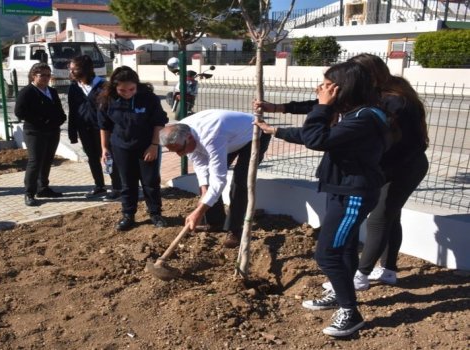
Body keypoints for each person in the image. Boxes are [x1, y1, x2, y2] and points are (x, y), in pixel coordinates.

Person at [256, 54, 429, 290]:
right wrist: (281, 108)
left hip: (402, 166)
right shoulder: (369, 99)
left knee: (381, 216)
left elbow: (321, 132)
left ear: (368, 76)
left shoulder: (391, 102)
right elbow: (322, 105)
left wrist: (376, 171)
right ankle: (388, 270)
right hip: (381, 165)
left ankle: (361, 275)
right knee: (389, 215)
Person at [255, 61, 389, 337]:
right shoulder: (353, 113)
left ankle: (350, 312)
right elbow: (319, 135)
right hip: (341, 189)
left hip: (354, 194)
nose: (321, 89)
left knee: (327, 254)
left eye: (328, 85)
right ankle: (341, 296)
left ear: (344, 88)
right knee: (346, 247)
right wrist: (276, 130)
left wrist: (323, 105)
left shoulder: (365, 117)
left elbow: (317, 139)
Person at [159, 109, 270, 248]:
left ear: (189, 138)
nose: (180, 155)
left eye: (180, 150)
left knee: (240, 180)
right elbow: (200, 164)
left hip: (254, 133)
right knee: (208, 182)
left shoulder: (211, 136)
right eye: (175, 151)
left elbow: (219, 181)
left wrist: (198, 211)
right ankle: (215, 222)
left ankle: (235, 230)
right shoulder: (181, 132)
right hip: (230, 138)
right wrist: (204, 190)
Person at [97, 66, 168, 231]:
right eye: (122, 90)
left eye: (131, 89)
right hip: (121, 147)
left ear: (137, 85)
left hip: (146, 146)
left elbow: (159, 122)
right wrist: (104, 148)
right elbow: (104, 126)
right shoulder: (107, 100)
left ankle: (155, 214)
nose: (127, 93)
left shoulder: (149, 98)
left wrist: (154, 146)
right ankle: (128, 215)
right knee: (127, 183)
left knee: (150, 182)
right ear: (115, 87)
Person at [67, 55, 122, 200]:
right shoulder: (74, 88)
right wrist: (72, 132)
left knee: (109, 157)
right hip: (84, 130)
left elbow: (112, 111)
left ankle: (117, 187)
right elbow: (72, 111)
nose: (71, 73)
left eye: (75, 69)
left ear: (86, 69)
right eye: (70, 69)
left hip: (103, 131)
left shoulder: (103, 87)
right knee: (92, 158)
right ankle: (99, 185)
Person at [15, 62, 66, 206]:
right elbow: (20, 112)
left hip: (52, 131)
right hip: (35, 132)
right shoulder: (27, 92)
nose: (45, 78)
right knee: (35, 161)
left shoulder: (52, 91)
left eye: (48, 75)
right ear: (33, 75)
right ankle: (29, 193)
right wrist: (42, 121)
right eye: (42, 75)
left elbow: (59, 109)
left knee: (47, 160)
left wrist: (61, 119)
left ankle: (43, 187)